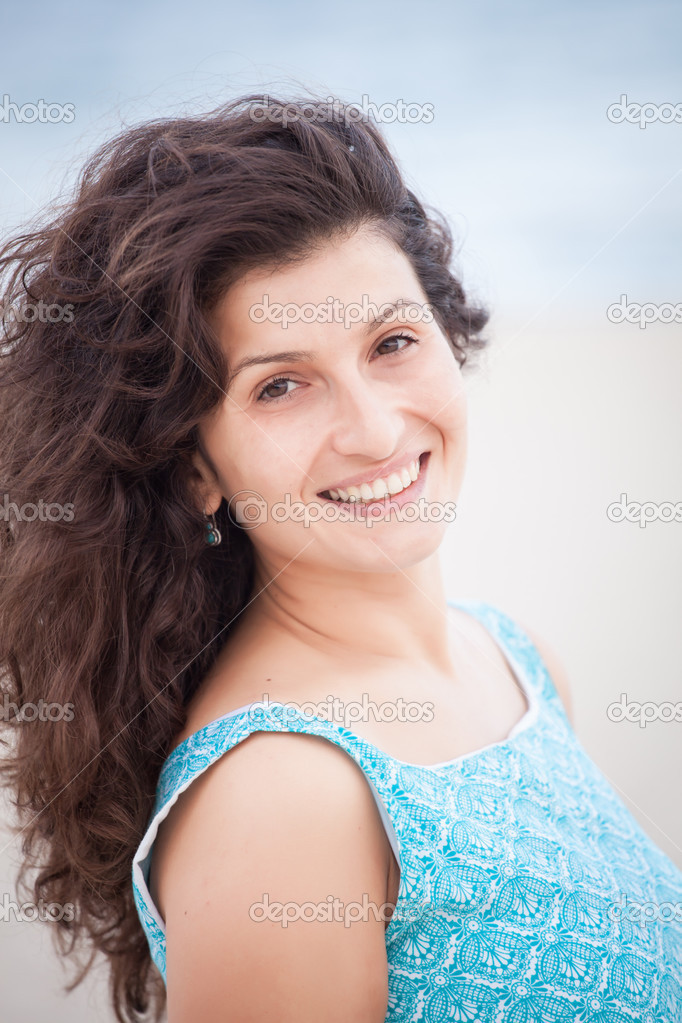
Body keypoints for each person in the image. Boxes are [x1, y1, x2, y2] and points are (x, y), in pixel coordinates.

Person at [1, 94, 681, 1023]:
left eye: (393, 342)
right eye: (281, 385)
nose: (372, 429)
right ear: (195, 466)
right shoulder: (282, 796)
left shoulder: (517, 659)